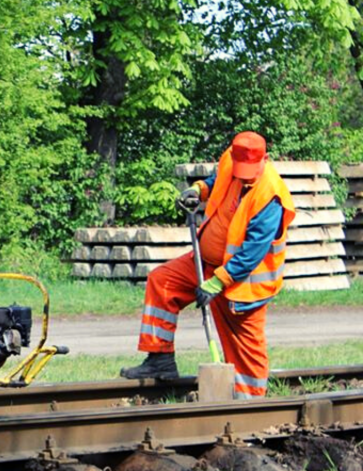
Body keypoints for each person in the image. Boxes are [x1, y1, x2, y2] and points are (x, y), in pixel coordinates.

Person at [120, 131, 296, 399]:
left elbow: (252, 252)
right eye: (240, 169)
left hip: (242, 283)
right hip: (205, 263)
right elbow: (218, 181)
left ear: (265, 159)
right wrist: (197, 190)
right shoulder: (231, 161)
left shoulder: (270, 196)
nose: (243, 175)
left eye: (249, 171)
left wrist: (217, 282)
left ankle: (250, 404)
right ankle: (160, 359)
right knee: (162, 282)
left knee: (245, 347)